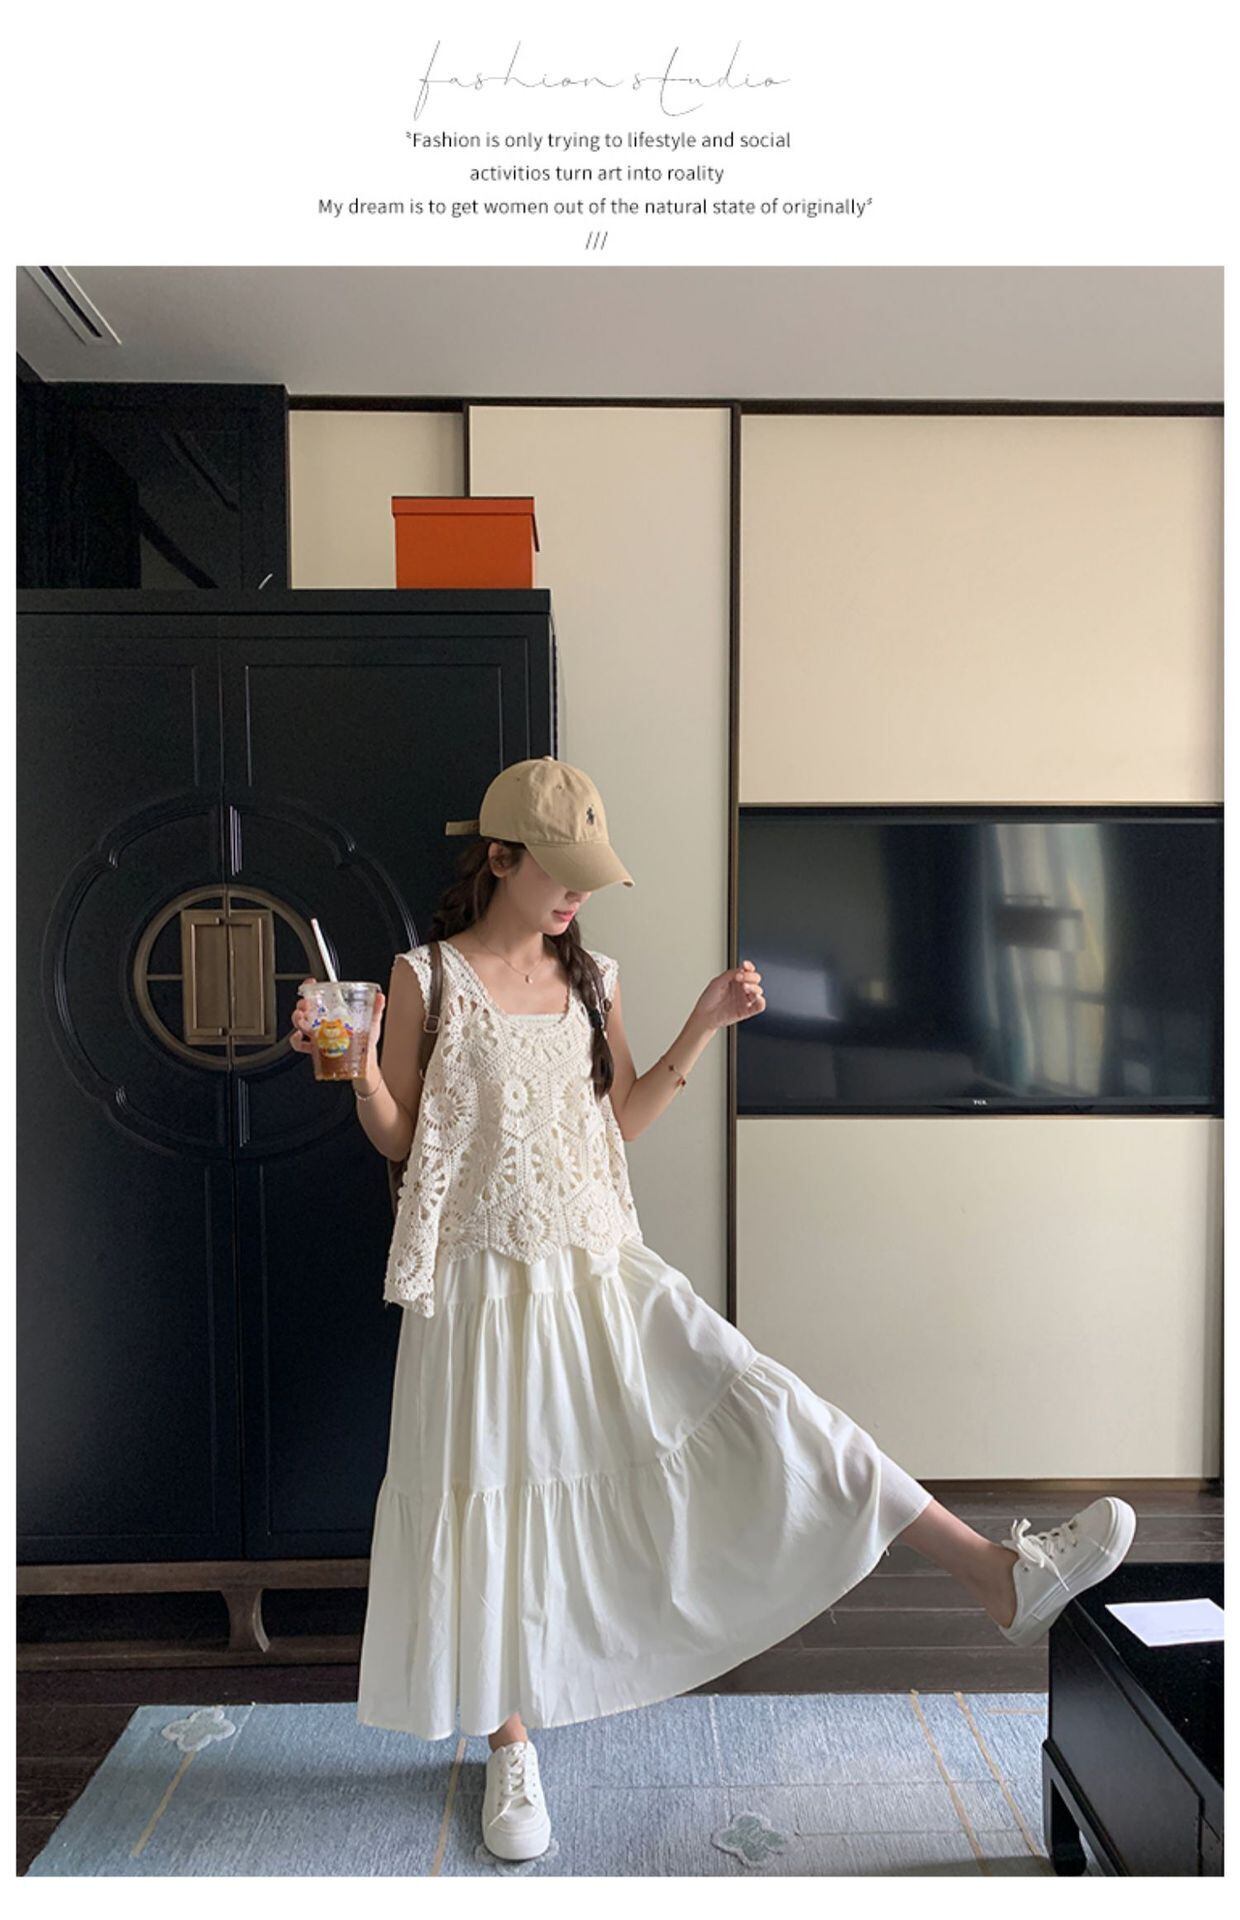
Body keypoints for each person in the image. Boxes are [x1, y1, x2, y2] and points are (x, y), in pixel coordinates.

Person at [290, 756, 1137, 1865]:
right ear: (499, 859)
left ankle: (995, 1573)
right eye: (560, 871)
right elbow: (405, 1138)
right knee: (491, 1505)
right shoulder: (426, 978)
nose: (577, 894)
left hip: (605, 1274)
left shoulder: (594, 978)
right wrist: (355, 1067)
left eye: (589, 875)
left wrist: (700, 1024)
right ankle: (509, 1748)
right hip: (481, 1290)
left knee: (774, 1413)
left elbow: (618, 1123)